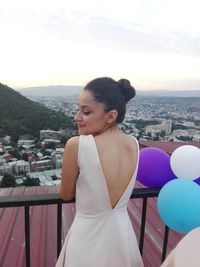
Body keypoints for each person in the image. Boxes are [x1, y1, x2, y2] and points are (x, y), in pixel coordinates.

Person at [56, 77, 144, 267]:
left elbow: (65, 194)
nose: (77, 117)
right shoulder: (133, 144)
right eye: (78, 109)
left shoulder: (77, 145)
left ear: (111, 116)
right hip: (122, 235)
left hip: (88, 238)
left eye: (85, 111)